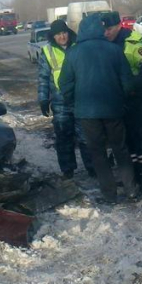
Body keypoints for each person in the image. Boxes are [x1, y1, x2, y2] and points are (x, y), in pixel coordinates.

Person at [59, 13, 137, 204]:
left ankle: (109, 194)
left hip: (87, 113)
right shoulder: (114, 50)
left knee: (98, 153)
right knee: (120, 149)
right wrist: (123, 99)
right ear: (99, 29)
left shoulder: (73, 53)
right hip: (113, 109)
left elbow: (65, 83)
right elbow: (127, 82)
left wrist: (72, 103)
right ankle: (131, 188)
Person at [101, 11, 142, 194]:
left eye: (109, 29)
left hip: (139, 99)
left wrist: (133, 85)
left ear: (118, 26)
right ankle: (134, 178)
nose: (106, 33)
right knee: (127, 142)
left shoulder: (133, 43)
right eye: (104, 30)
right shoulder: (104, 46)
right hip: (120, 101)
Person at [38, 19, 94, 179]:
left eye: (64, 33)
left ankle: (92, 167)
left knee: (85, 136)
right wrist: (43, 99)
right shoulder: (47, 52)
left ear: (68, 33)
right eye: (58, 34)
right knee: (63, 137)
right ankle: (67, 170)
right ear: (53, 36)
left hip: (80, 99)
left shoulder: (79, 47)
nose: (62, 37)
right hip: (60, 102)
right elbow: (43, 77)